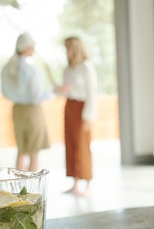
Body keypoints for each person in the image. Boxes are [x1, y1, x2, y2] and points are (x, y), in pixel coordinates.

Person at [0, 32, 52, 172]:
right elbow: (37, 97)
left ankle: (19, 188)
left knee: (21, 150)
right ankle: (30, 189)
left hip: (17, 111)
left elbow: (5, 93)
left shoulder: (6, 69)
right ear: (28, 48)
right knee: (34, 153)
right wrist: (52, 92)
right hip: (32, 112)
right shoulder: (31, 71)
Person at [55, 36, 98, 196]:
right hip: (69, 106)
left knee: (82, 145)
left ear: (75, 48)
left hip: (82, 108)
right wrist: (59, 89)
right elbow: (67, 90)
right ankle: (75, 183)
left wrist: (88, 116)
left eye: (68, 48)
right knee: (71, 143)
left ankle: (87, 183)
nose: (66, 51)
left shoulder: (87, 67)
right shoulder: (68, 69)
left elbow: (92, 93)